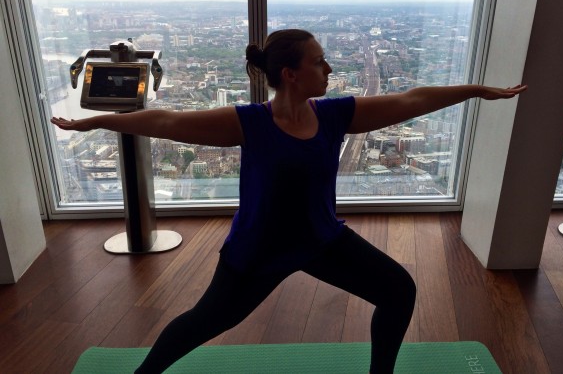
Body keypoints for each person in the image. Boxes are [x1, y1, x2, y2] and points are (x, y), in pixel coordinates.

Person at [51, 29, 526, 373]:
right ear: (290, 74)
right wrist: (91, 124)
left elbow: (411, 100)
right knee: (202, 323)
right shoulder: (248, 122)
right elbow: (168, 123)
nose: (329, 69)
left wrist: (477, 91)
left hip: (321, 239)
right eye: (319, 62)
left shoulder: (338, 114)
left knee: (399, 290)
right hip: (257, 251)